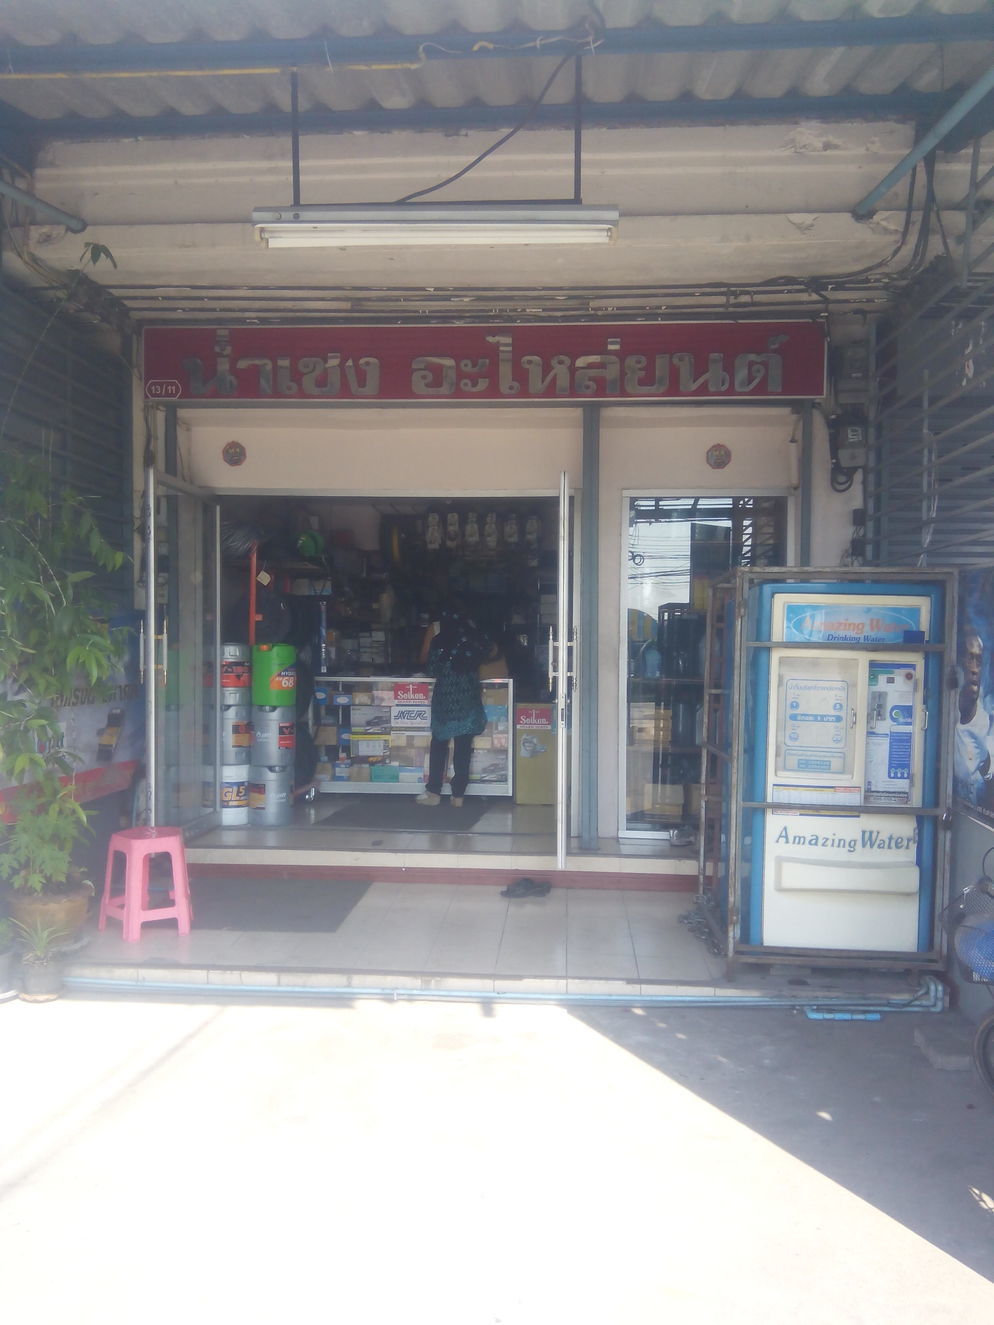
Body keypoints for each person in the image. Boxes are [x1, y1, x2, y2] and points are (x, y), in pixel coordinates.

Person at [416, 603, 493, 808]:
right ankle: (458, 795)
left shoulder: (439, 640)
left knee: (439, 744)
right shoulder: (473, 636)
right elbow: (488, 652)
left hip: (445, 701)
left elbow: (431, 668)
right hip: (468, 699)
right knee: (463, 747)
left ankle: (434, 792)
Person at [954, 627, 994, 806]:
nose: (974, 669)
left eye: (979, 661)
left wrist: (985, 764)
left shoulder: (987, 720)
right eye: (970, 659)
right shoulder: (941, 708)